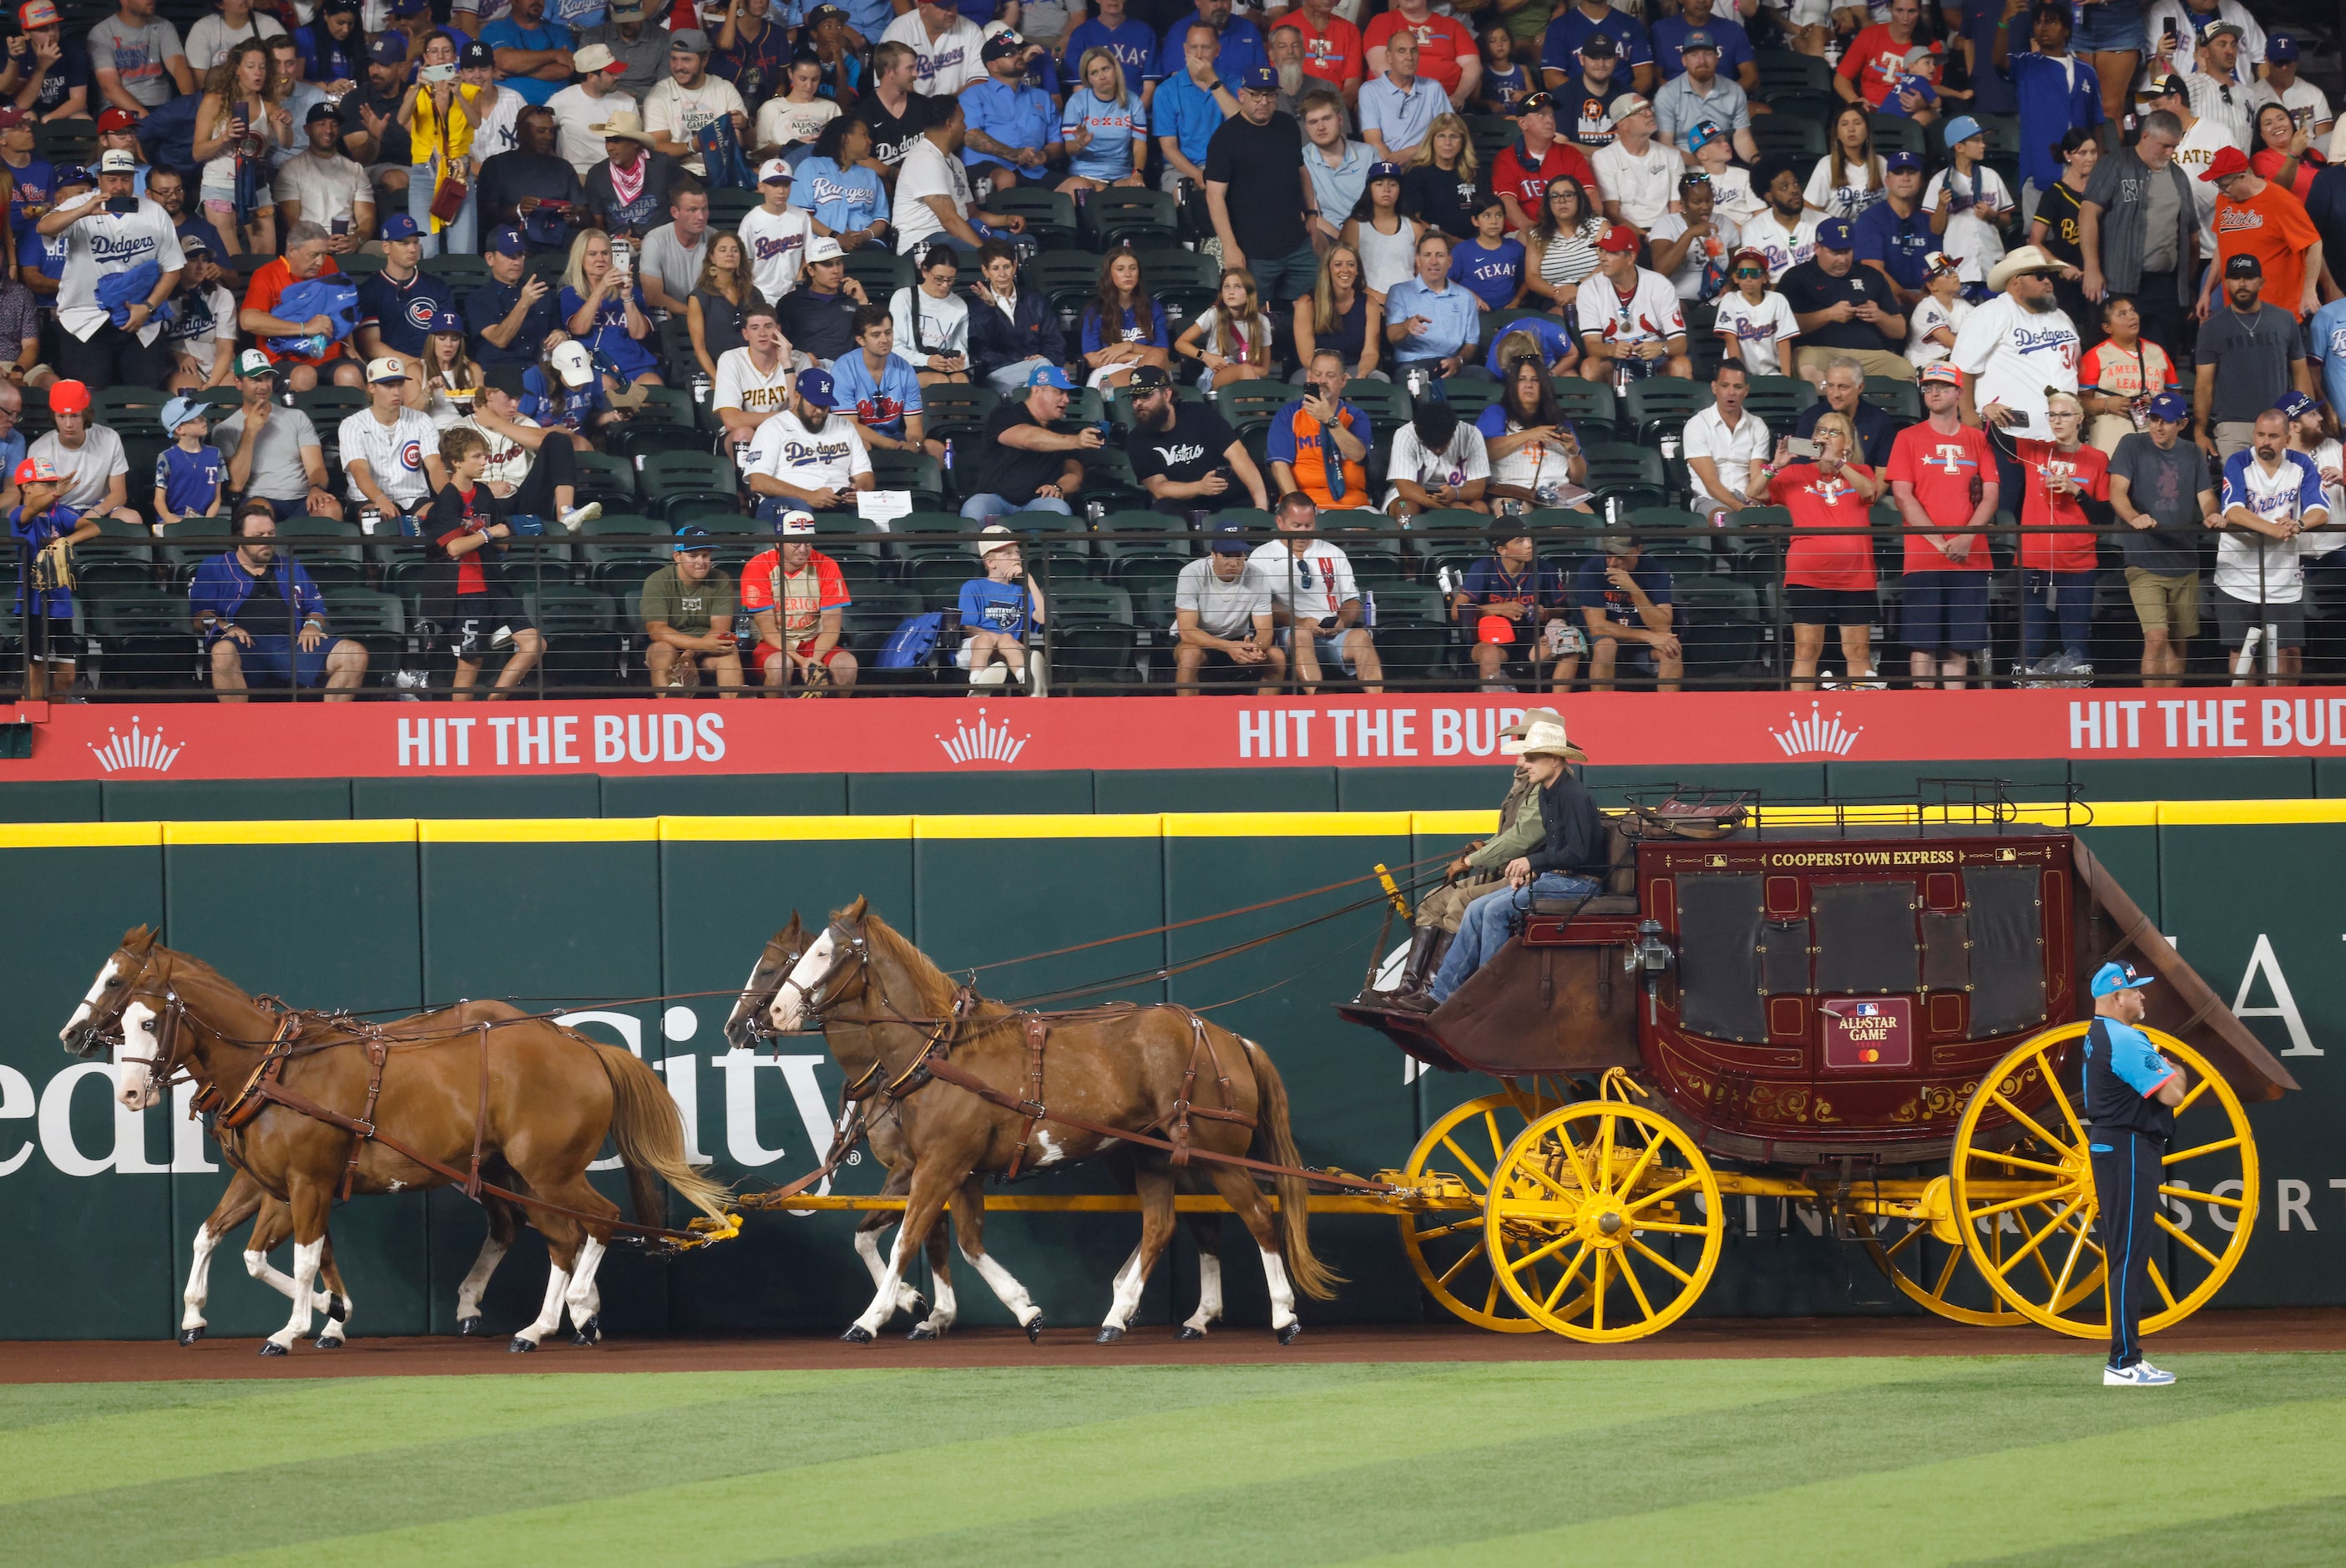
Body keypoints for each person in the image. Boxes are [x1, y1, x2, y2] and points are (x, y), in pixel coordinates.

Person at [1410, 712, 1603, 1011]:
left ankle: (1490, 996)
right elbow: (1554, 848)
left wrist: (1531, 862)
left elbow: (1579, 855)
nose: (1524, 763)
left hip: (1580, 883)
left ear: (1555, 759)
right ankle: (1439, 996)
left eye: (1532, 757)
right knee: (1475, 907)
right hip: (1554, 879)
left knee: (1497, 910)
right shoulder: (1548, 794)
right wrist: (1533, 871)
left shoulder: (1574, 796)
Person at [2079, 961, 2190, 1385]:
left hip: (2118, 1143)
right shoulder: (2124, 1039)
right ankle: (2124, 1362)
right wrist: (2175, 1068)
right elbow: (2173, 1092)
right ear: (2116, 998)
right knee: (2128, 1254)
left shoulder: (2099, 1034)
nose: (2142, 996)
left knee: (2127, 1253)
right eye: (2135, 991)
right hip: (2127, 1146)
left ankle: (2126, 1358)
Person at [1381, 727, 1545, 1005]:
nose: (1520, 760)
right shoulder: (1524, 785)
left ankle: (1436, 991)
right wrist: (1485, 848)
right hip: (1503, 868)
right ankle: (1410, 986)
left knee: (1461, 901)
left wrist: (1472, 860)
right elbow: (1509, 835)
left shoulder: (1544, 790)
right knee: (1433, 901)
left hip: (1526, 874)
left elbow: (1521, 840)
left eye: (1525, 753)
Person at [1887, 362, 1997, 686]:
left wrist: (1965, 538)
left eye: (1942, 387)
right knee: (1923, 645)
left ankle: (1954, 722)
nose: (1933, 392)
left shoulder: (1977, 439)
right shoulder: (1907, 437)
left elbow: (1991, 495)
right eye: (1928, 387)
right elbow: (1903, 496)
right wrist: (1941, 543)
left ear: (1959, 393)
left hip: (1971, 557)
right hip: (1923, 557)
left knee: (1959, 647)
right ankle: (1923, 724)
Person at [38, 145, 180, 389]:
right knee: (89, 402)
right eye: (112, 179)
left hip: (140, 320)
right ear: (100, 178)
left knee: (141, 401)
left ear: (133, 179)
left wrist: (148, 307)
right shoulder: (81, 204)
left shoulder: (154, 212)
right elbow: (45, 227)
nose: (118, 186)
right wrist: (84, 210)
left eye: (125, 179)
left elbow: (173, 268)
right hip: (85, 318)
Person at [422, 423, 544, 697]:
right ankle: (460, 726)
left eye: (484, 455)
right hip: (466, 592)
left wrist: (494, 536)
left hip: (494, 586)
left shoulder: (485, 493)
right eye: (476, 457)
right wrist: (487, 533)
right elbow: (454, 547)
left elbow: (503, 537)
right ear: (456, 462)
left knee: (535, 644)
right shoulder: (447, 501)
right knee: (470, 664)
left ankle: (493, 704)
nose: (484, 461)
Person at [1956, 245, 2081, 509]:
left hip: (2059, 436)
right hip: (2008, 436)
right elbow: (1962, 367)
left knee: (2054, 512)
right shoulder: (1991, 313)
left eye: (2049, 276)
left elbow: (2073, 364)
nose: (2048, 281)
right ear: (2015, 283)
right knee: (2008, 509)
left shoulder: (2061, 317)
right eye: (2039, 275)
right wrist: (1968, 413)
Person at [1767, 410, 1883, 685]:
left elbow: (1870, 492)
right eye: (1821, 431)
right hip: (1808, 576)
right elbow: (1755, 492)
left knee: (1857, 651)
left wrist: (1839, 464)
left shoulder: (1861, 472)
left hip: (1856, 576)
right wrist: (1775, 465)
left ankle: (1862, 717)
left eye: (1834, 432)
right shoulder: (1795, 473)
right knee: (1806, 650)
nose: (1825, 436)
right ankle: (1801, 718)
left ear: (1849, 444)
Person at [2107, 389, 2210, 686]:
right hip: (2144, 561)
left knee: (2179, 641)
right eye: (2153, 419)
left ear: (2182, 423)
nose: (2157, 426)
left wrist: (2213, 513)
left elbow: (2206, 498)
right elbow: (2116, 492)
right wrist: (2133, 517)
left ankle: (2170, 708)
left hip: (2184, 560)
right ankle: (2151, 711)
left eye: (2165, 421)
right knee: (2156, 637)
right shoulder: (2131, 444)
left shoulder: (2192, 452)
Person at [2215, 407, 2324, 682]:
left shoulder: (2301, 464)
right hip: (2236, 577)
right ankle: (2245, 719)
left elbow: (2320, 510)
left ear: (2287, 439)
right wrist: (2275, 529)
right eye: (2260, 434)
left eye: (2273, 436)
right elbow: (2233, 511)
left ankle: (2287, 717)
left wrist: (2297, 524)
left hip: (2283, 578)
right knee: (2242, 653)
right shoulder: (2238, 462)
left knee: (2288, 652)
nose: (2265, 441)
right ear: (2253, 435)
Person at [2078, 109, 2195, 361]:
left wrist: (2185, 285)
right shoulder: (2116, 164)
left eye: (2174, 146)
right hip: (2118, 281)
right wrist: (2092, 268)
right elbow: (2088, 214)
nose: (2169, 153)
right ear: (2145, 136)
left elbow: (2190, 234)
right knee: (2115, 359)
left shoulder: (2179, 176)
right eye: (2164, 146)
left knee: (2161, 358)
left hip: (2164, 285)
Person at [1202, 65, 1317, 303]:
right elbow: (1214, 196)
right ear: (1241, 95)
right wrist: (1230, 247)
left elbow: (1301, 171)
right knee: (1254, 320)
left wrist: (1312, 212)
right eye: (1256, 94)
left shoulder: (1287, 125)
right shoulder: (1225, 138)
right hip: (1253, 252)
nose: (1263, 101)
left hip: (1297, 245)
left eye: (1270, 94)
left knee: (1311, 308)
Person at [1248, 489, 1382, 690]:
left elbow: (1352, 600)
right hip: (1290, 632)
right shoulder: (1261, 556)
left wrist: (1342, 621)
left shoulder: (1332, 552)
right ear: (1280, 522)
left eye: (1308, 525)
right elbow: (1262, 607)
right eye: (1296, 526)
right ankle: (1316, 701)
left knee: (1361, 637)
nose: (1303, 532)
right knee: (1300, 635)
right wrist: (1300, 622)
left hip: (1333, 632)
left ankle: (1379, 706)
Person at [2193, 254, 2313, 463]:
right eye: (2235, 277)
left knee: (2282, 492)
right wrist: (2199, 432)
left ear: (2261, 282)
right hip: (2232, 427)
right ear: (2226, 281)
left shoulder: (2284, 320)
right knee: (2237, 493)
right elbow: (2204, 385)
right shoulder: (2212, 328)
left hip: (2279, 422)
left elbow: (2300, 374)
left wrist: (2305, 419)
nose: (2242, 283)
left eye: (2248, 277)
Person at [1997, 2, 2103, 228]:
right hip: (2039, 171)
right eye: (2038, 22)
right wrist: (2003, 21)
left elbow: (2097, 125)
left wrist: (2099, 170)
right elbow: (1998, 61)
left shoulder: (2087, 72)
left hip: (2082, 174)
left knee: (2078, 240)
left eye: (2051, 22)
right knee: (2038, 251)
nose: (2042, 28)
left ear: (2066, 29)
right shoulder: (2026, 64)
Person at [454, 364, 594, 532]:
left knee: (559, 439)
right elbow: (449, 479)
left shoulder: (525, 424)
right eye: (509, 398)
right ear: (489, 394)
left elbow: (546, 441)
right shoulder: (461, 428)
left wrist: (495, 422)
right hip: (481, 503)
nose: (515, 404)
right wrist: (483, 487)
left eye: (518, 398)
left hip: (524, 499)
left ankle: (566, 513)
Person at [2197, 144, 2323, 326]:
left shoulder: (2281, 201)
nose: (2221, 191)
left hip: (2279, 315)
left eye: (2223, 185)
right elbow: (2222, 247)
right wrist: (2207, 291)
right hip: (2237, 313)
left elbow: (2313, 243)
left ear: (2242, 177)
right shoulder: (2225, 200)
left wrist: (2310, 290)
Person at [1123, 362, 1268, 515]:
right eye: (1134, 398)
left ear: (1167, 395)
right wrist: (1200, 487)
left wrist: (1261, 507)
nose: (1138, 403)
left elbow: (1238, 455)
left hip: (1230, 499)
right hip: (1188, 507)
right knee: (1163, 508)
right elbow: (1158, 488)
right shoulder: (1136, 439)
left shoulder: (1199, 413)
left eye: (1145, 396)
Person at [961, 362, 1099, 524]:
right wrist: (1075, 441)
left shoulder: (1065, 430)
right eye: (1059, 392)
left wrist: (1058, 487)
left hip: (1039, 501)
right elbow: (1028, 439)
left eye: (1068, 394)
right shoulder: (1005, 413)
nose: (1066, 400)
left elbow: (1074, 475)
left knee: (1058, 509)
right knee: (974, 509)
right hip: (995, 499)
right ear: (1037, 390)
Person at [1781, 215, 1909, 386]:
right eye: (1835, 252)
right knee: (1809, 367)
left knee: (1905, 370)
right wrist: (1828, 315)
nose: (1842, 259)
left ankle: (1879, 412)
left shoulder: (1871, 276)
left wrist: (1879, 316)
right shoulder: (1797, 277)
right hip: (1821, 353)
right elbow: (1783, 329)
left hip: (1870, 356)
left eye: (1847, 251)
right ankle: (1827, 412)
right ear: (1817, 248)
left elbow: (1900, 330)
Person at [739, 508, 857, 692]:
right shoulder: (758, 566)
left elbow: (832, 626)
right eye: (795, 542)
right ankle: (776, 718)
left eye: (808, 542)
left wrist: (813, 662)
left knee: (847, 665)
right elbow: (767, 629)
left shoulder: (827, 565)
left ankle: (838, 718)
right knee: (780, 666)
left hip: (814, 640)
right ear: (779, 543)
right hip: (772, 644)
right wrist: (802, 661)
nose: (803, 550)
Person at [893, 94, 1029, 255]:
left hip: (955, 234)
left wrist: (1007, 219)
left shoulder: (954, 161)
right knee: (980, 255)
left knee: (1022, 244)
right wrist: (985, 254)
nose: (965, 126)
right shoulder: (924, 159)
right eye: (962, 120)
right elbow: (949, 220)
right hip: (923, 241)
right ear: (949, 124)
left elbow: (972, 213)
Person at [214, 348, 338, 520]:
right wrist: (250, 432)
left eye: (267, 378)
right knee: (259, 512)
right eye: (256, 380)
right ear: (238, 382)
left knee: (330, 508)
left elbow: (317, 468)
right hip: (258, 499)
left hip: (301, 498)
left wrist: (316, 488)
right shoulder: (225, 429)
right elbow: (236, 485)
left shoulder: (297, 417)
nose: (263, 386)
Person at [6, 452, 92, 698]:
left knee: (66, 677)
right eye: (47, 484)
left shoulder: (60, 513)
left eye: (54, 484)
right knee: (36, 673)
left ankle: (58, 730)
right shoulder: (19, 514)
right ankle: (33, 727)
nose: (53, 488)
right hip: (34, 606)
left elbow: (92, 527)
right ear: (27, 487)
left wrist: (66, 541)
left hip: (61, 605)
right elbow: (32, 508)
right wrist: (56, 494)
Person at [1455, 524, 1574, 690]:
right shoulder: (1484, 568)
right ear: (1502, 550)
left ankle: (1559, 706)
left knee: (1572, 642)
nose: (1529, 544)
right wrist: (1498, 609)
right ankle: (1495, 709)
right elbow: (1456, 611)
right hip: (1493, 641)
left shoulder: (1544, 568)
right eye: (1520, 541)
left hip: (1533, 640)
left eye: (1529, 539)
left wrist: (1546, 613)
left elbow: (1563, 609)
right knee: (1489, 655)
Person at [744, 367, 873, 516]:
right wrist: (808, 496)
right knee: (800, 511)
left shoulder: (845, 427)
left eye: (824, 406)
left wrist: (860, 491)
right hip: (785, 503)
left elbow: (864, 475)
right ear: (797, 397)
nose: (819, 411)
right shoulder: (773, 427)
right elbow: (758, 481)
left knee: (870, 515)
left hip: (838, 502)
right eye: (815, 404)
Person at [1171, 518, 1282, 693]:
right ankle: (1188, 717)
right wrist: (1227, 647)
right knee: (1189, 655)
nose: (1233, 563)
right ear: (1213, 554)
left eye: (1239, 555)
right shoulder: (1192, 573)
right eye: (1226, 556)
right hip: (1198, 640)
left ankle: (1261, 715)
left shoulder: (1257, 576)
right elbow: (1187, 631)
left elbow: (1265, 630)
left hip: (1237, 640)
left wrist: (1256, 647)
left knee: (1277, 657)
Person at [1576, 225, 1689, 383]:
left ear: (1630, 257)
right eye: (1602, 250)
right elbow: (1592, 346)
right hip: (1614, 361)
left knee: (1682, 365)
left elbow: (1680, 344)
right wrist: (1611, 349)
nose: (1603, 257)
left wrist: (1660, 348)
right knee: (1590, 367)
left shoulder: (1659, 285)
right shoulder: (1589, 289)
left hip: (1656, 360)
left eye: (1611, 252)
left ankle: (1680, 409)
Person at [639, 528, 743, 694]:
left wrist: (690, 654)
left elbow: (720, 629)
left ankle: (734, 715)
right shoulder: (658, 580)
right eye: (693, 556)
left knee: (729, 652)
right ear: (677, 557)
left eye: (706, 555)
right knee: (661, 650)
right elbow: (657, 630)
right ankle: (669, 712)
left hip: (706, 648)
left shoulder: (721, 578)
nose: (701, 562)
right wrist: (697, 646)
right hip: (673, 645)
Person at [1479, 351, 1586, 511]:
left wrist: (1573, 451)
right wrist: (1530, 434)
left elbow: (1578, 477)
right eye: (1522, 379)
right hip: (1512, 490)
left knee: (1588, 522)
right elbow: (1486, 453)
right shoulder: (1497, 413)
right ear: (1513, 385)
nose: (1528, 385)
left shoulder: (1559, 420)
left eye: (1535, 380)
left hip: (1557, 491)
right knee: (1514, 515)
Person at [28, 380, 139, 531]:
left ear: (85, 414)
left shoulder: (109, 438)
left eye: (74, 416)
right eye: (62, 417)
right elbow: (33, 502)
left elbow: (119, 494)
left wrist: (96, 512)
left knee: (131, 518)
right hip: (58, 510)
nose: (68, 424)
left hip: (98, 508)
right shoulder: (39, 449)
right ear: (53, 416)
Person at [1269, 349, 1373, 511]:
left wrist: (1329, 419)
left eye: (1330, 376)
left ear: (1343, 381)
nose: (1322, 380)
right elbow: (1279, 466)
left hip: (1353, 505)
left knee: (1369, 530)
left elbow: (1358, 454)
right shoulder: (1289, 414)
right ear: (1309, 377)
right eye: (1317, 374)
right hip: (1304, 503)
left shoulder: (1356, 416)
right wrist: (1299, 508)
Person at [1575, 530, 1679, 690]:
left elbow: (1663, 626)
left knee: (1672, 649)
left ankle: (1668, 712)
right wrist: (1649, 636)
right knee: (1606, 646)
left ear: (1638, 550)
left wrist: (1634, 590)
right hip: (1604, 638)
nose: (1612, 563)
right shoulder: (1591, 568)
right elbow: (1596, 627)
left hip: (1639, 643)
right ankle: (1600, 711)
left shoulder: (1655, 570)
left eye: (1620, 556)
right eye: (1608, 555)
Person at [958, 31, 1059, 195]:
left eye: (1018, 51)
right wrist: (1013, 154)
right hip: (985, 169)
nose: (1018, 56)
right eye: (1009, 54)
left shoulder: (1042, 97)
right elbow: (971, 136)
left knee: (1079, 186)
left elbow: (1057, 142)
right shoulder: (974, 95)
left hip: (1033, 171)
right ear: (993, 66)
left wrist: (1043, 155)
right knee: (1006, 178)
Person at [832, 301, 938, 458]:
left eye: (888, 333)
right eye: (876, 335)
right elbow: (850, 425)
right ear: (861, 340)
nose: (885, 340)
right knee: (862, 445)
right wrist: (892, 446)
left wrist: (914, 444)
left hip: (895, 437)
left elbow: (914, 424)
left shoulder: (905, 369)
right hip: (859, 439)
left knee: (936, 449)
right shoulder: (843, 369)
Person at [2080, 295, 2178, 455]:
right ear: (2107, 328)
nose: (2132, 316)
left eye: (2133, 311)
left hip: (2153, 441)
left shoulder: (2157, 352)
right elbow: (2079, 402)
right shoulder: (2096, 355)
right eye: (2122, 314)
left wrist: (2161, 404)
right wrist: (2105, 404)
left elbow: (2175, 395)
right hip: (2110, 443)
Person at [967, 235, 1066, 393]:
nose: (1002, 274)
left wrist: (1042, 357)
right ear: (985, 271)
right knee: (1045, 374)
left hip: (1037, 369)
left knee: (1042, 371)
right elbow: (984, 344)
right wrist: (990, 308)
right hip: (997, 372)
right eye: (995, 268)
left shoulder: (1035, 300)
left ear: (1015, 266)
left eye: (1006, 266)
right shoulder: (977, 305)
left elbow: (1055, 342)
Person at [954, 521, 1044, 690]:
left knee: (1007, 642)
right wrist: (1002, 639)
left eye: (1017, 553)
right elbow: (969, 627)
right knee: (987, 640)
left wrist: (1030, 580)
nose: (1016, 558)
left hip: (1007, 650)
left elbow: (1042, 617)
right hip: (975, 647)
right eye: (1007, 554)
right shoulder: (973, 587)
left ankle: (1027, 682)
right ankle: (977, 684)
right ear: (990, 563)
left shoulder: (1021, 591)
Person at [1385, 230, 1479, 388]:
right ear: (1418, 261)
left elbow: (1471, 343)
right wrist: (1406, 326)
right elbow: (1392, 336)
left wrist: (1458, 361)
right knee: (1413, 379)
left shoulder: (1465, 297)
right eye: (1427, 255)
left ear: (1449, 261)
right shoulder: (1399, 292)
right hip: (1413, 363)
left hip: (1452, 363)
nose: (1434, 261)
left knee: (1484, 377)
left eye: (1440, 255)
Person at [1491, 93, 1595, 235]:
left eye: (1551, 115)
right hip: (1525, 233)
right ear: (1523, 123)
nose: (1549, 120)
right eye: (1541, 115)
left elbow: (1590, 194)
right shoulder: (1507, 158)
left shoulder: (1571, 154)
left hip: (1569, 230)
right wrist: (1533, 231)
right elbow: (1507, 201)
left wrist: (1588, 224)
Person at [1683, 358, 1772, 525]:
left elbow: (1756, 480)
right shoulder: (1697, 424)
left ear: (1746, 390)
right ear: (1714, 387)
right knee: (1724, 520)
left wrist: (1751, 506)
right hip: (1710, 499)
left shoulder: (1757, 426)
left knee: (1781, 519)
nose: (1731, 392)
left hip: (1748, 499)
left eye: (1737, 387)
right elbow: (1711, 483)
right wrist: (1741, 510)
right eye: (1725, 386)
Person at [476, 105, 586, 236]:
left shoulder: (564, 168)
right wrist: (518, 210)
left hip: (557, 236)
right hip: (514, 237)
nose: (548, 137)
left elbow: (584, 214)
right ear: (522, 132)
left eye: (551, 131)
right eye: (541, 131)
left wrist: (575, 216)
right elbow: (486, 217)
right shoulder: (496, 165)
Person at [791, 116, 891, 255]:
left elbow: (881, 220)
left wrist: (864, 237)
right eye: (864, 135)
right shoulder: (811, 166)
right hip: (821, 242)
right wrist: (835, 236)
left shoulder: (870, 176)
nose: (870, 141)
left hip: (866, 244)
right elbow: (801, 214)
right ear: (846, 138)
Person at [1653, 30, 1755, 166]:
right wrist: (1703, 165)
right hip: (1682, 166)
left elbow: (1742, 138)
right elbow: (1665, 144)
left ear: (1717, 58)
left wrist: (1757, 161)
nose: (1702, 61)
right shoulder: (1667, 94)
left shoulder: (1735, 91)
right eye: (1694, 55)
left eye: (1708, 54)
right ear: (1684, 60)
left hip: (1723, 163)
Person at [1079, 244, 1170, 391]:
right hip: (1111, 369)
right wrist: (1131, 357)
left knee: (1156, 358)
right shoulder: (1095, 310)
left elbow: (1162, 352)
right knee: (1145, 376)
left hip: (1152, 365)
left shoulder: (1153, 307)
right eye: (1120, 269)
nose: (1128, 274)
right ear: (1110, 274)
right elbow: (1091, 358)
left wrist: (1128, 346)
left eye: (1133, 268)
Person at [581, 109, 683, 237]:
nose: (610, 147)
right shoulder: (597, 174)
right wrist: (617, 242)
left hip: (664, 241)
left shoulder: (662, 164)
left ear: (635, 143)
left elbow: (685, 198)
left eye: (617, 141)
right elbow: (598, 223)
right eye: (608, 140)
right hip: (618, 246)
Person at [1383, 399, 1489, 518]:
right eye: (1432, 446)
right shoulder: (1405, 434)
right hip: (1412, 497)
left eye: (1443, 445)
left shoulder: (1471, 434)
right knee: (1405, 508)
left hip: (1455, 496)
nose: (1438, 451)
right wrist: (1445, 510)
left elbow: (1478, 488)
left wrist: (1456, 494)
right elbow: (1406, 489)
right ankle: (1405, 538)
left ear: (1453, 432)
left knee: (1480, 508)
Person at [713, 301, 795, 447]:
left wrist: (788, 365)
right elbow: (732, 421)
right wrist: (786, 417)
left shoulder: (799, 360)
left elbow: (803, 412)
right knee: (743, 433)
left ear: (779, 330)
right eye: (755, 328)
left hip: (785, 433)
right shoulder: (731, 359)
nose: (762, 333)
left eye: (768, 327)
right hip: (742, 435)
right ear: (745, 334)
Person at [89, 0, 192, 117]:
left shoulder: (164, 26)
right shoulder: (101, 32)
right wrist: (147, 119)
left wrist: (189, 102)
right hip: (119, 107)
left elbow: (178, 66)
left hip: (161, 105)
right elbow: (110, 87)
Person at [1358, 28, 1444, 164]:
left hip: (1425, 165)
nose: (1409, 57)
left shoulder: (1433, 88)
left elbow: (1446, 136)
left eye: (1413, 51)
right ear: (1389, 57)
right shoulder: (1370, 90)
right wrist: (1393, 170)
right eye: (1401, 51)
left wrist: (1409, 153)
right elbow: (1373, 141)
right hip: (1386, 167)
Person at [1711, 245, 1797, 378]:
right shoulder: (1730, 299)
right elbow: (1730, 340)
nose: (1748, 279)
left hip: (1772, 372)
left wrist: (1786, 379)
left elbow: (1783, 342)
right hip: (1739, 372)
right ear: (1735, 278)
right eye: (1743, 273)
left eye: (1754, 273)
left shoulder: (1778, 300)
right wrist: (1737, 376)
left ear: (1765, 277)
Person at [1397, 113, 1483, 245]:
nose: (1447, 143)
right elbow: (1415, 222)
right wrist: (1457, 244)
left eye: (1453, 136)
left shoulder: (1474, 172)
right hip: (1434, 245)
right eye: (1441, 136)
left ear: (1463, 140)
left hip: (1475, 244)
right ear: (1432, 140)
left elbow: (1486, 214)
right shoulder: (1417, 173)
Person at [1341, 159, 1421, 299]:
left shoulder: (1414, 226)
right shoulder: (1354, 226)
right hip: (1366, 300)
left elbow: (1422, 271)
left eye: (1393, 184)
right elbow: (1345, 271)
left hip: (1409, 301)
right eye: (1379, 184)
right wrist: (1374, 297)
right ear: (1369, 188)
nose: (1386, 189)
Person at [1541, 0, 1656, 97]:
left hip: (1622, 104)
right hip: (1577, 104)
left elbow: (1645, 76)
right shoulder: (1559, 26)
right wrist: (1592, 97)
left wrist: (1623, 100)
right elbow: (1551, 78)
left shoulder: (1631, 24)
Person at [1836, 0, 1935, 111]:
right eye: (1899, 10)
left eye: (1912, 11)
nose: (1905, 18)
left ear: (1920, 12)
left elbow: (1935, 92)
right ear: (1889, 8)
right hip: (1870, 110)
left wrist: (1923, 104)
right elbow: (1841, 77)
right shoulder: (1870, 35)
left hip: (1909, 113)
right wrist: (1854, 100)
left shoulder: (1930, 45)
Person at [481, 0, 576, 111]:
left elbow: (565, 71)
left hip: (556, 112)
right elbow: (506, 62)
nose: (537, 1)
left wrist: (514, 70)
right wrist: (555, 55)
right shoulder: (495, 28)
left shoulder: (559, 31)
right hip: (507, 113)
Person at [882, 0, 987, 98]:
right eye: (944, 7)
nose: (951, 12)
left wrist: (947, 105)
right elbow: (887, 86)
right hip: (911, 109)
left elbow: (980, 80)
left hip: (958, 107)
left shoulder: (971, 30)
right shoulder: (898, 32)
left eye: (953, 5)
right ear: (922, 7)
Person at [152, 394, 224, 532]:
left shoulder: (215, 455)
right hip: (174, 519)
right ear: (180, 429)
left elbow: (217, 498)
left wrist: (207, 522)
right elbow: (158, 500)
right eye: (196, 418)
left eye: (202, 415)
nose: (204, 419)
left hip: (206, 519)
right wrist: (172, 519)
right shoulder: (167, 457)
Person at [639, 182, 711, 316]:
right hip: (670, 315)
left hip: (708, 315)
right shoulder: (655, 240)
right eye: (692, 210)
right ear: (675, 212)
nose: (701, 217)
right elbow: (652, 296)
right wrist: (694, 314)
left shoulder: (716, 240)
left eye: (704, 209)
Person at [1743, 159, 1821, 285]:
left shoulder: (1823, 222)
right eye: (1784, 187)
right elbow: (1754, 281)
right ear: (1768, 196)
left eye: (1795, 184)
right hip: (1774, 297)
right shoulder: (1752, 229)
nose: (1794, 190)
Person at [1806, 105, 1884, 224]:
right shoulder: (1826, 165)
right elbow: (1809, 206)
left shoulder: (1882, 163)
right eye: (1844, 124)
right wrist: (1834, 226)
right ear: (1837, 133)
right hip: (1838, 236)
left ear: (1867, 130)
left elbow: (1894, 203)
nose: (1851, 129)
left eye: (1857, 123)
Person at [1449, 190, 1526, 310]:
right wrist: (1472, 297)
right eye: (1487, 215)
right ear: (1475, 221)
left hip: (1509, 312)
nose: (1494, 221)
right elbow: (1447, 280)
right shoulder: (1462, 251)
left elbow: (1526, 280)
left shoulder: (1515, 248)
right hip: (1476, 313)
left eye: (1498, 215)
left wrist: (1516, 301)